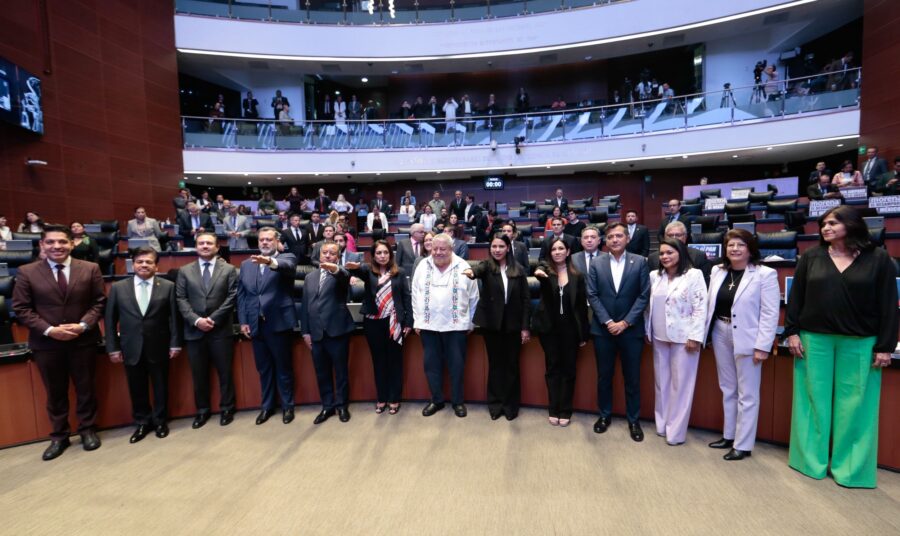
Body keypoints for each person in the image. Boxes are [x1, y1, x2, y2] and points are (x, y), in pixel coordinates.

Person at [784, 206, 898, 488]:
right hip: (814, 339)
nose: (826, 227)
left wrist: (885, 346)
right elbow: (795, 298)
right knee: (812, 403)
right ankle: (810, 462)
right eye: (823, 223)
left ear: (852, 224)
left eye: (833, 222)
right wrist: (793, 332)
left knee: (856, 407)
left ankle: (851, 469)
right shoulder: (811, 256)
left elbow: (888, 305)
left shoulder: (879, 258)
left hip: (861, 342)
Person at [11, 225, 106, 460]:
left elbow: (99, 302)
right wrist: (50, 330)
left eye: (62, 242)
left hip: (82, 340)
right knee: (55, 392)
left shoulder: (91, 268)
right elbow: (21, 309)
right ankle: (59, 436)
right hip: (47, 344)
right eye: (51, 242)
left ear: (72, 244)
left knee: (85, 389)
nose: (57, 246)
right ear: (42, 245)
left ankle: (87, 430)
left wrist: (83, 325)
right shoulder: (27, 272)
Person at [705, 230, 780, 461]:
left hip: (748, 337)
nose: (735, 249)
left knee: (747, 393)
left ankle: (743, 444)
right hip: (720, 331)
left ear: (750, 248)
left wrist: (763, 346)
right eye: (730, 245)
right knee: (727, 387)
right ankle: (729, 435)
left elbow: (770, 313)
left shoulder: (764, 274)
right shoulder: (717, 271)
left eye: (740, 245)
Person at [105, 247, 182, 443]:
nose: (144, 265)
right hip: (130, 347)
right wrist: (113, 347)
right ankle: (142, 422)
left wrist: (175, 344)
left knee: (161, 386)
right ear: (133, 264)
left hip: (159, 345)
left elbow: (174, 318)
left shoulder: (167, 286)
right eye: (140, 262)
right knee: (136, 387)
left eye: (149, 262)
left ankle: (160, 421)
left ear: (156, 265)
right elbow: (110, 320)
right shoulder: (118, 288)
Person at [588, 222, 651, 442]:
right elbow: (592, 295)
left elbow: (644, 296)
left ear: (627, 239)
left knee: (632, 378)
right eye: (611, 237)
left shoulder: (640, 262)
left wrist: (624, 323)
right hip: (603, 331)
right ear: (605, 241)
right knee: (604, 376)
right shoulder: (596, 263)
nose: (615, 240)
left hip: (631, 331)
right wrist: (607, 321)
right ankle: (604, 416)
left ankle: (633, 420)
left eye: (619, 236)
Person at [644, 238, 707, 446]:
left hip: (684, 339)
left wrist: (695, 336)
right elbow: (649, 307)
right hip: (659, 336)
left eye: (669, 252)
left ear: (680, 253)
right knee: (661, 384)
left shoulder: (693, 275)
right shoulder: (655, 276)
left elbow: (700, 306)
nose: (664, 257)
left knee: (681, 386)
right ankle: (661, 425)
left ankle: (676, 432)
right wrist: (648, 330)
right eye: (661, 253)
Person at [411, 233, 479, 418]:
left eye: (443, 249)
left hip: (456, 326)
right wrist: (417, 320)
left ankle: (458, 402)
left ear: (451, 249)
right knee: (431, 366)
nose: (438, 253)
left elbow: (474, 296)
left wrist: (470, 322)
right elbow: (415, 294)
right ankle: (436, 400)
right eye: (435, 249)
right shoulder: (422, 266)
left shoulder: (464, 266)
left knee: (457, 366)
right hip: (428, 325)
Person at [463, 234, 531, 421]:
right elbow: (476, 270)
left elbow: (526, 300)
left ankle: (510, 406)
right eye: (494, 246)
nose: (497, 249)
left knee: (511, 366)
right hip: (492, 324)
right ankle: (495, 404)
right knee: (495, 365)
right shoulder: (487, 266)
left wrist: (525, 327)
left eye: (501, 246)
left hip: (513, 324)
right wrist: (471, 273)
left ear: (508, 248)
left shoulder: (519, 269)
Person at [175, 232, 238, 429]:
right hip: (194, 332)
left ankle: (227, 407)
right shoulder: (184, 271)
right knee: (199, 374)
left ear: (217, 247)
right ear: (195, 247)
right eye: (201, 243)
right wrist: (196, 320)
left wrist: (212, 319)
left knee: (225, 373)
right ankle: (202, 410)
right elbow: (181, 299)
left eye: (209, 243)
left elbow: (232, 297)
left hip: (220, 330)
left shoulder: (229, 270)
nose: (204, 246)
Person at [237, 227, 298, 426]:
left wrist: (270, 262)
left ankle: (288, 407)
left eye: (269, 239)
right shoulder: (246, 265)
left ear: (276, 242)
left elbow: (287, 266)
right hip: (256, 324)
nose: (264, 243)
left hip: (278, 323)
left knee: (283, 368)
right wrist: (244, 320)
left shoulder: (287, 257)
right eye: (262, 240)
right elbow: (243, 296)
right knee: (263, 369)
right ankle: (267, 407)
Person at [346, 241, 413, 415]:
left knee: (395, 362)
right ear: (373, 256)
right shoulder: (368, 271)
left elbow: (406, 299)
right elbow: (357, 270)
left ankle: (394, 398)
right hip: (373, 322)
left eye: (385, 252)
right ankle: (381, 397)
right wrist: (354, 266)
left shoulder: (399, 273)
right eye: (378, 253)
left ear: (390, 254)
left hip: (394, 321)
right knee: (379, 362)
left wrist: (408, 322)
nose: (382, 256)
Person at [531, 237, 589, 426]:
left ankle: (565, 409)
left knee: (569, 370)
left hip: (570, 330)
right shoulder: (545, 272)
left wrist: (583, 334)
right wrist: (540, 270)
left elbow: (581, 307)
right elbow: (539, 268)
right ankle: (553, 408)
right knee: (552, 369)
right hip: (549, 330)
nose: (557, 252)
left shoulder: (578, 276)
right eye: (554, 249)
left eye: (560, 248)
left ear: (568, 251)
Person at [300, 241, 356, 424]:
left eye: (332, 253)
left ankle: (341, 406)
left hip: (337, 331)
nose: (328, 256)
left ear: (338, 257)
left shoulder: (341, 274)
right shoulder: (310, 277)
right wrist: (305, 332)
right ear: (320, 254)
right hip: (316, 333)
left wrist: (335, 269)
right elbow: (306, 306)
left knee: (341, 372)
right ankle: (327, 406)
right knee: (321, 372)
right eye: (325, 252)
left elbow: (344, 276)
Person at [648, 221, 712, 285]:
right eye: (670, 235)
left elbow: (705, 285)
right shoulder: (653, 258)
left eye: (678, 235)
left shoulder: (698, 256)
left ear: (685, 237)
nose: (674, 238)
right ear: (665, 237)